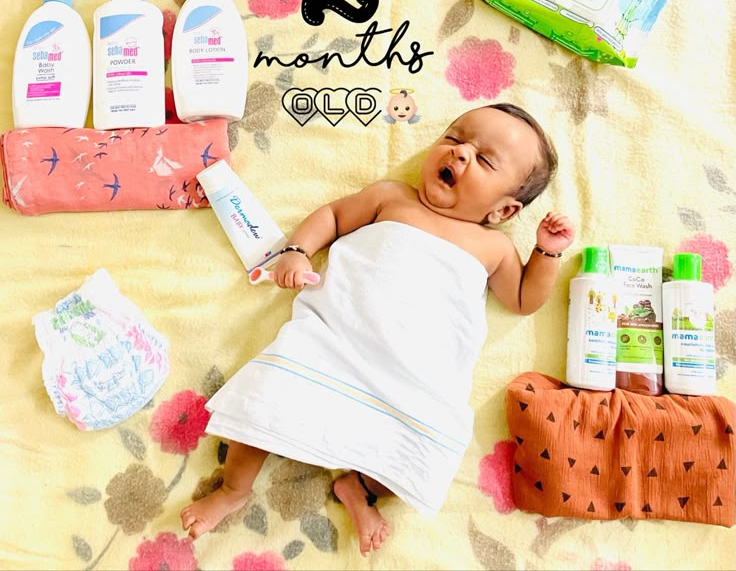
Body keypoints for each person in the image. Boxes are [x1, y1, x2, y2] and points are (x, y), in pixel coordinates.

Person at [181, 103, 575, 555]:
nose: (460, 152)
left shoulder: (495, 248)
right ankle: (233, 489)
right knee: (261, 408)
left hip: (413, 381)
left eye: (484, 160)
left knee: (421, 448)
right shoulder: (391, 198)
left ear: (504, 211)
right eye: (453, 137)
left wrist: (546, 252)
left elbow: (524, 300)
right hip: (330, 345)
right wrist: (296, 251)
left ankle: (359, 489)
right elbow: (332, 216)